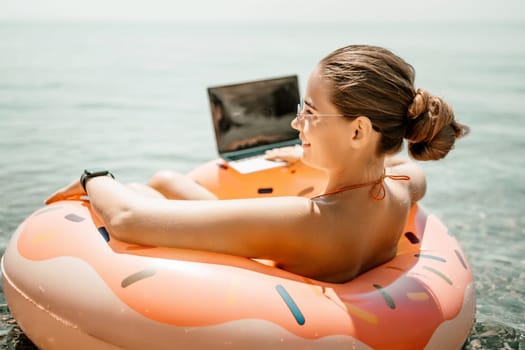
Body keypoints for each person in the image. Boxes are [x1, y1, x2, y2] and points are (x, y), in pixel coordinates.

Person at [46, 45, 469, 283]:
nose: (295, 122)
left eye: (310, 112)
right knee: (167, 179)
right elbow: (404, 168)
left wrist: (93, 178)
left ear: (358, 132)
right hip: (314, 237)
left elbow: (127, 219)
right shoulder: (400, 188)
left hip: (280, 249)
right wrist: (309, 161)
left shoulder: (304, 217)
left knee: (141, 191)